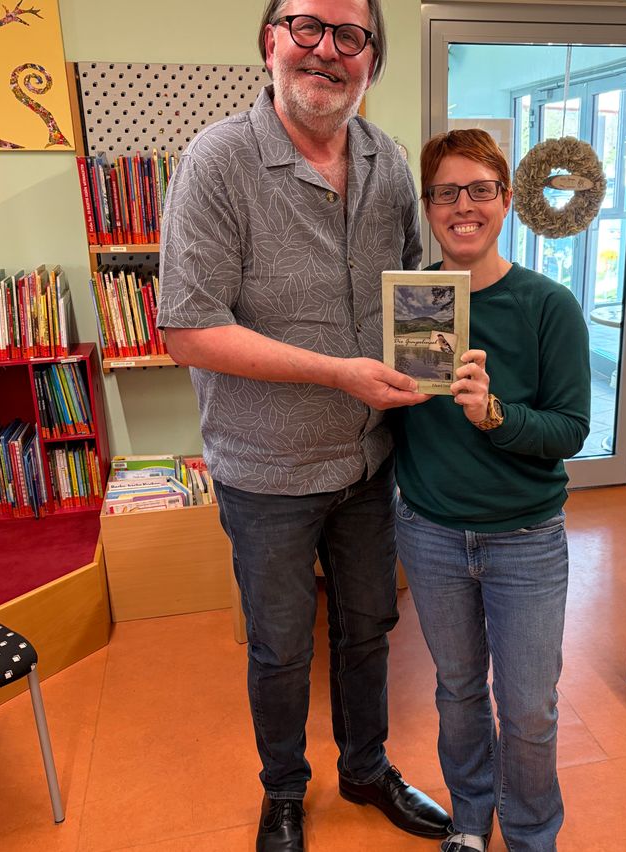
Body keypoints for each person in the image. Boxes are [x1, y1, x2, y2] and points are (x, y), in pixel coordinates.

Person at [156, 2, 451, 850]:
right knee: (281, 650)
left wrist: (473, 326)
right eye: (307, 27)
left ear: (371, 60)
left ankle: (365, 769)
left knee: (370, 630)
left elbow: (415, 290)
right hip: (267, 474)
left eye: (350, 37)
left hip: (370, 464)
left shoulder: (387, 160)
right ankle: (284, 789)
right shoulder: (217, 161)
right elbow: (186, 328)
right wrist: (334, 371)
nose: (327, 51)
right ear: (270, 41)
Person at [392, 129, 591, 852]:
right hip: (432, 532)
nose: (463, 205)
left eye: (480, 189)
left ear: (506, 200)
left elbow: (569, 428)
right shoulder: (411, 299)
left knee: (530, 707)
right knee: (458, 690)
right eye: (446, 192)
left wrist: (494, 415)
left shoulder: (548, 304)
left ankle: (533, 835)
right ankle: (471, 821)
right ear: (429, 206)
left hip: (527, 541)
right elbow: (396, 419)